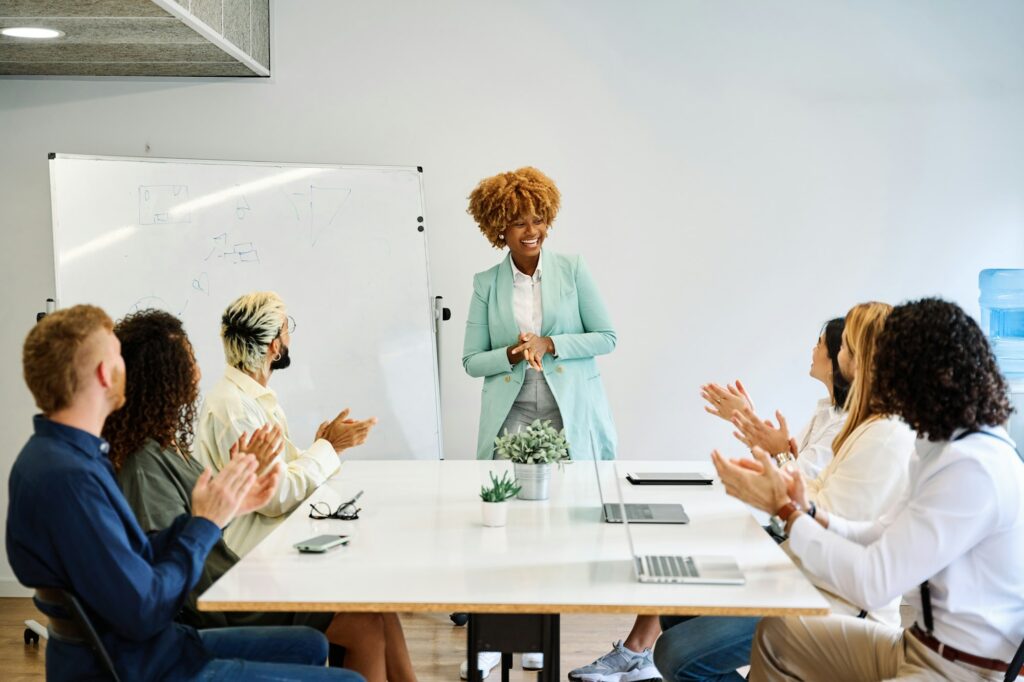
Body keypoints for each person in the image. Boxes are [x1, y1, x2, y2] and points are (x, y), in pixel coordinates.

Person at [7, 304, 363, 681]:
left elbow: (140, 560)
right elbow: (145, 607)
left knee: (310, 644)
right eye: (118, 357)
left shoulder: (65, 457)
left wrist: (223, 506)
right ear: (103, 373)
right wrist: (204, 523)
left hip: (155, 647)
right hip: (145, 665)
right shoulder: (71, 480)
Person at [713, 298, 1024, 681]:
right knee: (779, 635)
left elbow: (875, 583)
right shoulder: (943, 449)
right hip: (917, 647)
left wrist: (789, 514)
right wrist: (807, 514)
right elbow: (879, 531)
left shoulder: (974, 469)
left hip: (961, 671)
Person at [105, 309, 417, 682]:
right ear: (165, 379)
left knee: (374, 605)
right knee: (364, 621)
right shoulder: (146, 463)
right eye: (189, 362)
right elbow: (174, 562)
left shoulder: (166, 446)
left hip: (231, 578)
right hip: (220, 602)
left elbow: (212, 514)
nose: (199, 373)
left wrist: (241, 489)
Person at [573, 318, 852, 682]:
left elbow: (792, 484)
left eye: (820, 343)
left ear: (841, 359)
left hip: (795, 551)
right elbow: (783, 466)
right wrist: (755, 429)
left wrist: (759, 433)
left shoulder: (845, 424)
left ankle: (638, 652)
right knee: (677, 563)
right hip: (783, 536)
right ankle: (637, 652)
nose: (812, 349)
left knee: (680, 592)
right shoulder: (824, 410)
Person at [653, 302, 915, 681]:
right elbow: (816, 492)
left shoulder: (885, 437)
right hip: (801, 569)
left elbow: (828, 521)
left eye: (840, 346)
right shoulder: (861, 424)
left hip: (836, 596)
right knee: (677, 608)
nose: (828, 350)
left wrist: (773, 486)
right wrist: (774, 470)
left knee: (676, 654)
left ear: (859, 360)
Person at [461, 166, 619, 679]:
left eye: (538, 219)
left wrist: (551, 343)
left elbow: (606, 336)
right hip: (510, 413)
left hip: (562, 412)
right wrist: (511, 350)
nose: (531, 231)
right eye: (517, 222)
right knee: (497, 525)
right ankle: (488, 643)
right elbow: (471, 360)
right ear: (498, 229)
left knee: (547, 528)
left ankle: (534, 634)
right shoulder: (487, 283)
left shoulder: (572, 269)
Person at [196, 291, 378, 557]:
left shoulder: (251, 398)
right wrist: (327, 447)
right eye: (285, 328)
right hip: (251, 560)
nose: (290, 337)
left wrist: (326, 448)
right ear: (274, 346)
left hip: (273, 550)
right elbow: (275, 495)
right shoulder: (235, 408)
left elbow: (282, 471)